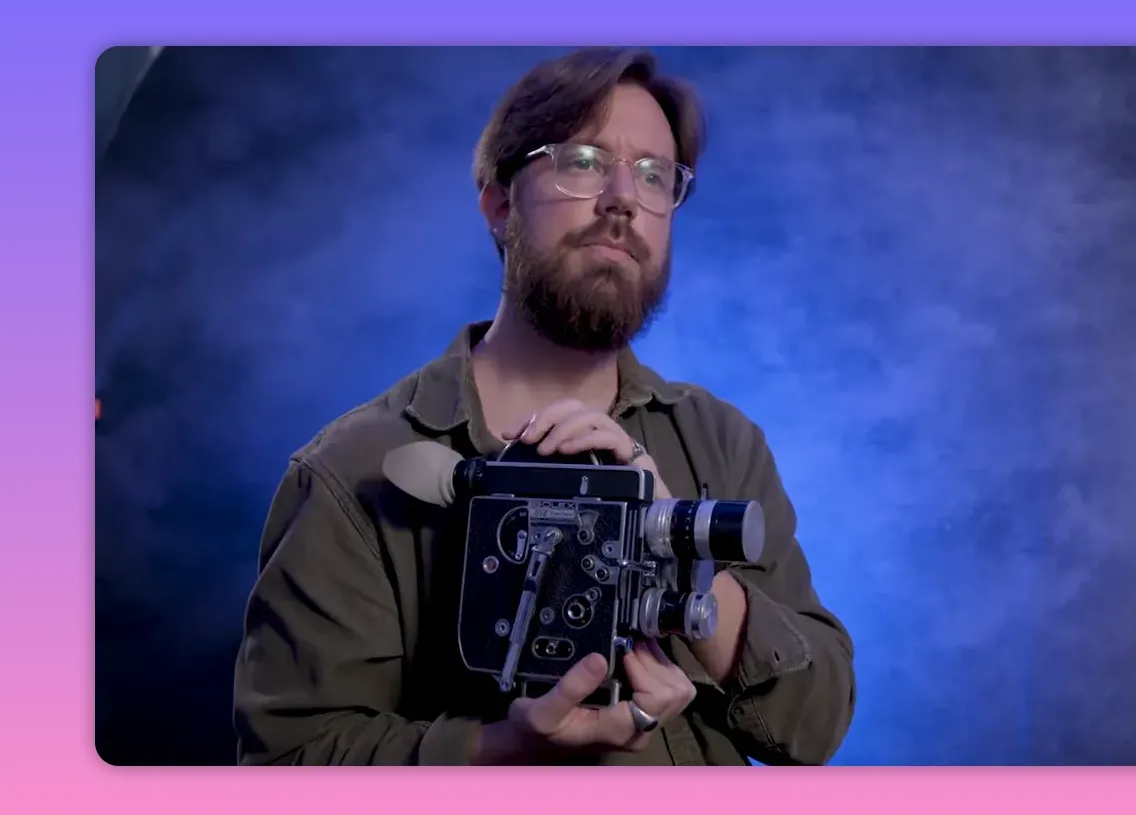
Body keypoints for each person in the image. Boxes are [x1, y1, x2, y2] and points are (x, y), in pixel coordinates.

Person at [232, 48, 857, 766]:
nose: (624, 197)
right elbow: (290, 766)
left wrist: (682, 569)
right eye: (585, 161)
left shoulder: (720, 441)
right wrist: (503, 747)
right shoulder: (352, 475)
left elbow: (817, 725)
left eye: (655, 176)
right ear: (499, 204)